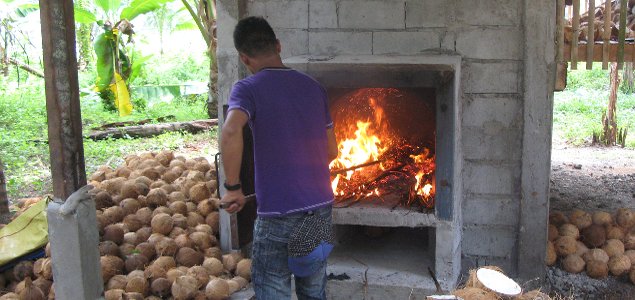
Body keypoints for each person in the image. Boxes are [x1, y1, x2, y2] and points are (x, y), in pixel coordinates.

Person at [219, 16, 338, 300]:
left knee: (273, 290)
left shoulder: (247, 89)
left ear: (244, 58)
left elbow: (231, 129)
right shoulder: (314, 87)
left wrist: (233, 187)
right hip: (320, 209)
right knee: (313, 290)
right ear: (279, 45)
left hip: (277, 215)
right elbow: (332, 152)